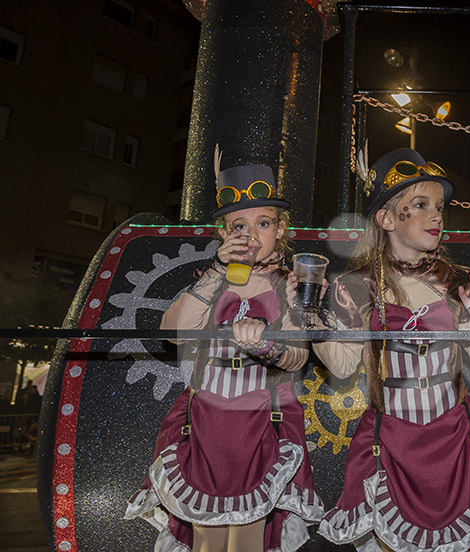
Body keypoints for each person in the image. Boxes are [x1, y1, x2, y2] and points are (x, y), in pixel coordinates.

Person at [314, 148, 470, 551]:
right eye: (420, 205)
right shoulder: (356, 285)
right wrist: (311, 324)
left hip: (456, 437)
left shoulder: (461, 279)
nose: (437, 215)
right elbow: (341, 364)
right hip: (390, 440)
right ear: (387, 219)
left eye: (439, 206)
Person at [125, 161, 323, 552]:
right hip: (205, 423)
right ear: (223, 233)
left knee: (248, 540)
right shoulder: (210, 281)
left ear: (280, 230)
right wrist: (219, 268)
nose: (250, 234)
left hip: (263, 423)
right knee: (205, 539)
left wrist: (265, 346)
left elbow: (299, 356)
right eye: (238, 226)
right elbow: (170, 333)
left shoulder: (291, 284)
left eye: (263, 223)